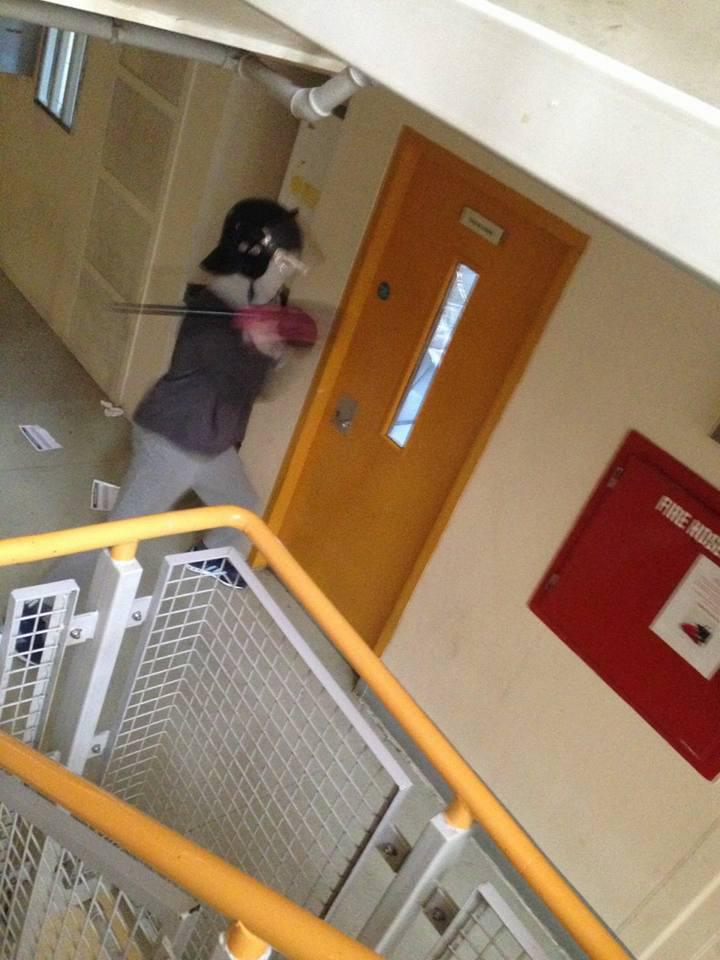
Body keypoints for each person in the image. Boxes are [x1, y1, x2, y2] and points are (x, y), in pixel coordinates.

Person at [35, 199, 308, 615]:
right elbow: (244, 383)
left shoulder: (247, 304)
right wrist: (263, 348)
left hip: (208, 439)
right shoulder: (216, 311)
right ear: (258, 258)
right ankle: (32, 618)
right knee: (120, 536)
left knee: (242, 506)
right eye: (285, 263)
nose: (288, 274)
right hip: (174, 441)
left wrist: (267, 341)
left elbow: (256, 378)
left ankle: (212, 557)